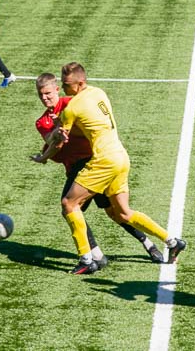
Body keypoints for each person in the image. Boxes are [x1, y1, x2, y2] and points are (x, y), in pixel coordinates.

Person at [47, 62, 186, 274]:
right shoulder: (99, 92)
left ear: (80, 83)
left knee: (69, 204)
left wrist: (44, 155)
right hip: (121, 156)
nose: (64, 88)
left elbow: (60, 141)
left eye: (67, 85)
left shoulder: (72, 108)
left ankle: (86, 260)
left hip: (103, 160)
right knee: (123, 213)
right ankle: (172, 241)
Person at [31, 73, 164, 266]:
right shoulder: (41, 121)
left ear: (57, 90)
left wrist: (44, 155)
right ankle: (98, 254)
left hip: (94, 163)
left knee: (96, 210)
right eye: (41, 94)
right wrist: (55, 133)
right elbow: (51, 140)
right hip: (75, 169)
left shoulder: (72, 104)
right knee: (84, 210)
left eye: (48, 93)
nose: (45, 98)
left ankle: (141, 245)